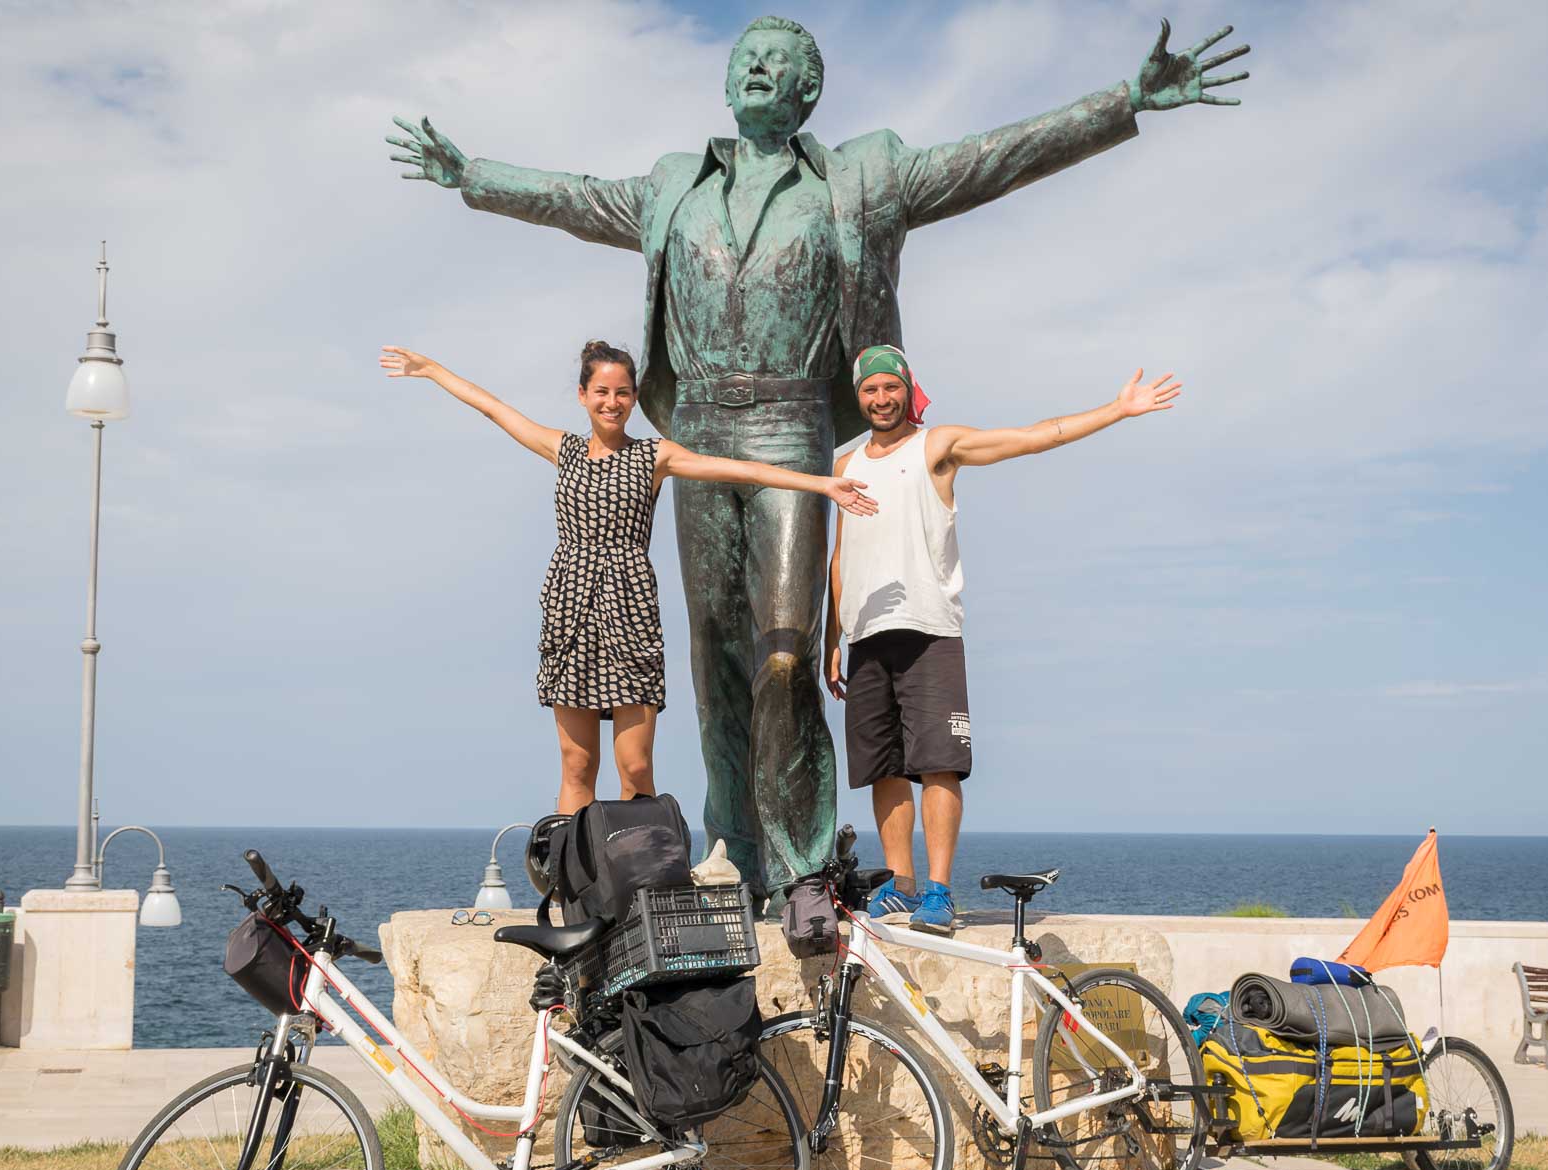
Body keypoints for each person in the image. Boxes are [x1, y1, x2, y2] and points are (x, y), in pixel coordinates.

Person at [387, 15, 1249, 896]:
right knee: (715, 652)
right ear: (729, 85)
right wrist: (472, 176)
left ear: (808, 93)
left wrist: (1125, 102)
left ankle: (801, 862)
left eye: (781, 63)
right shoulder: (671, 187)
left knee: (785, 647)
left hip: (792, 429)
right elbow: (567, 197)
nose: (759, 69)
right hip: (696, 435)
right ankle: (736, 848)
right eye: (746, 59)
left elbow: (995, 158)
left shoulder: (860, 179)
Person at [382, 340, 876, 813]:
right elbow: (493, 408)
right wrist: (431, 371)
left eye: (622, 393)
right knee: (577, 764)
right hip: (570, 606)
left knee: (635, 765)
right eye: (601, 392)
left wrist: (821, 483)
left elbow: (740, 468)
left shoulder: (653, 456)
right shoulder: (564, 450)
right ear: (583, 396)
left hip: (629, 605)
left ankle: (635, 878)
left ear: (634, 398)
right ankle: (576, 886)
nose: (612, 402)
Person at [823, 346, 1180, 934]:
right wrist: (833, 635)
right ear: (857, 396)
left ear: (908, 390)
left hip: (929, 628)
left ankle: (938, 891)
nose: (881, 399)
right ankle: (901, 886)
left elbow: (1032, 437)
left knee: (939, 764)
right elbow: (841, 555)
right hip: (864, 635)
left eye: (891, 387)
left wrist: (1116, 410)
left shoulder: (937, 445)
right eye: (869, 390)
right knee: (881, 768)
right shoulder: (844, 465)